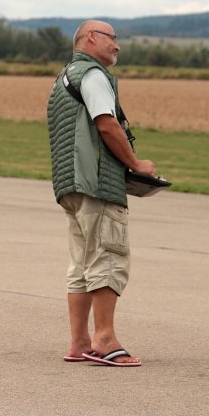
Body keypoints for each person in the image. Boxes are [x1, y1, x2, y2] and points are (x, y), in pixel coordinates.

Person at [47, 20, 156, 367]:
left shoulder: (64, 77)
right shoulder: (93, 75)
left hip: (70, 186)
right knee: (108, 257)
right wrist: (136, 165)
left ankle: (79, 342)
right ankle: (105, 340)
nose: (117, 46)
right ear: (91, 37)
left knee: (81, 265)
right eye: (113, 38)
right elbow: (106, 124)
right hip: (96, 184)